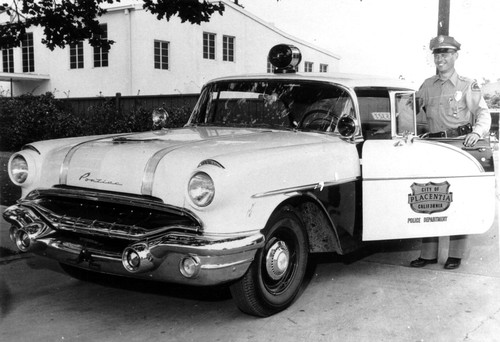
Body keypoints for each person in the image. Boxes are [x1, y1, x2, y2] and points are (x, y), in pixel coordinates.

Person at [410, 35, 491, 270]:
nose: (441, 58)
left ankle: (455, 254)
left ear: (456, 56)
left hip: (458, 147)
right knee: (430, 194)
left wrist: (477, 131)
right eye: (437, 54)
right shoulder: (427, 85)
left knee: (457, 198)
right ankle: (428, 254)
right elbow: (408, 112)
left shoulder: (467, 84)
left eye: (446, 54)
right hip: (433, 147)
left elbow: (483, 113)